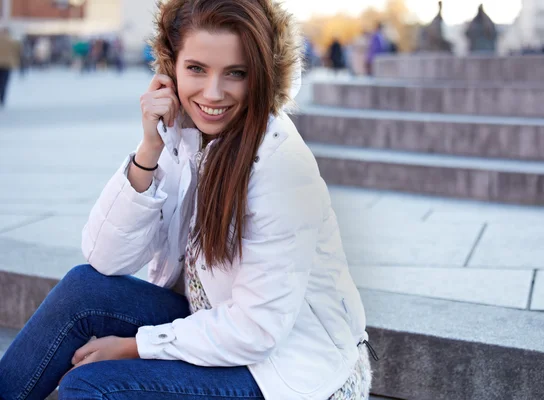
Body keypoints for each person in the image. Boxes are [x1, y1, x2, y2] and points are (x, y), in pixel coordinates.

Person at [0, 0, 374, 399]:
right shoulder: (180, 136)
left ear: (261, 76)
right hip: (213, 322)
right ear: (169, 68)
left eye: (236, 73)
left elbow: (256, 330)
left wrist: (135, 346)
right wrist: (149, 150)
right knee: (81, 289)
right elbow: (105, 258)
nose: (213, 94)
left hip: (289, 367)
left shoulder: (281, 166)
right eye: (196, 69)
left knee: (92, 388)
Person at [0, 29, 20, 107]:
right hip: (7, 64)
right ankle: (2, 98)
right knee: (4, 83)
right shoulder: (12, 41)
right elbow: (17, 51)